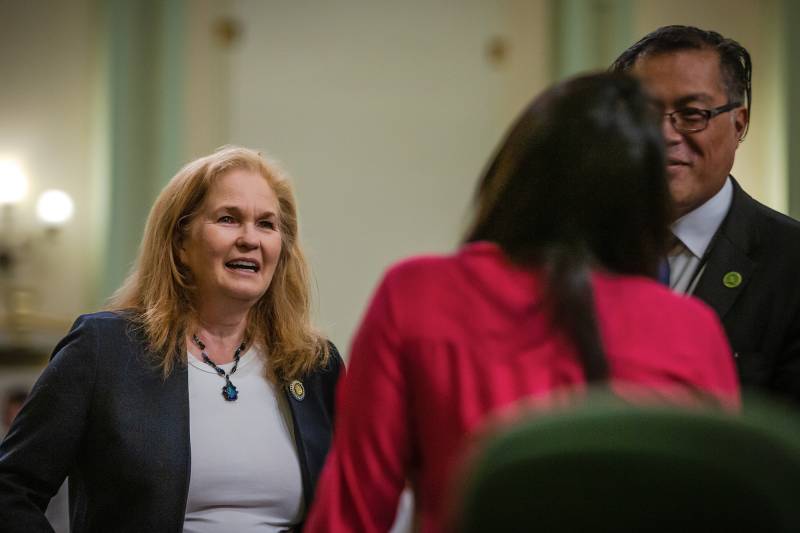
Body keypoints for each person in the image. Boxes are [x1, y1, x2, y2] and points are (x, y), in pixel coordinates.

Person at [304, 73, 739, 533]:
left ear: (516, 175)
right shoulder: (693, 330)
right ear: (646, 204)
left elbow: (349, 517)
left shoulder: (416, 296)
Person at [0, 146, 343, 532]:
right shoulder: (104, 350)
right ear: (181, 244)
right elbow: (10, 489)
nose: (251, 239)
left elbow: (351, 503)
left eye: (267, 224)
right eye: (229, 219)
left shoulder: (315, 365)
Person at [611, 25, 800, 405]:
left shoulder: (790, 262)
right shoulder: (579, 248)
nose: (665, 134)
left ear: (739, 123)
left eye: (692, 114)